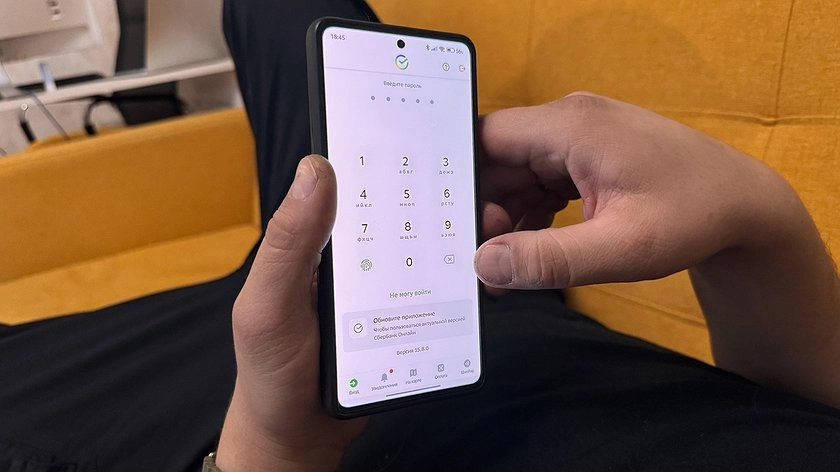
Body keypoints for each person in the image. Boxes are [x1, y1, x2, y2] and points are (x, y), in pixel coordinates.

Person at [215, 1, 840, 470]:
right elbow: (802, 409)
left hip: (292, 377)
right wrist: (755, 216)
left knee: (274, 22)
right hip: (489, 311)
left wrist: (274, 445)